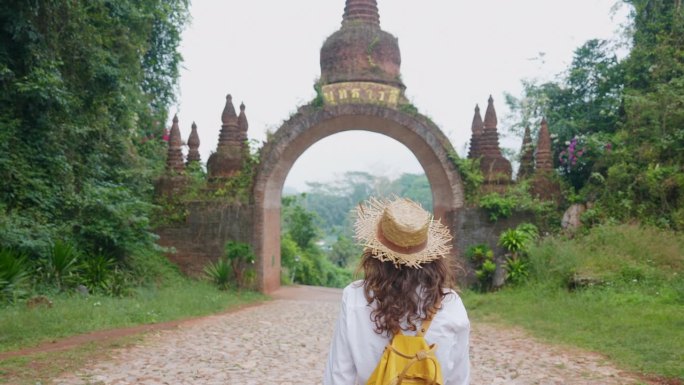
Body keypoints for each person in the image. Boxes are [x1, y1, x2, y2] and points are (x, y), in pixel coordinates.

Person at [323, 197, 470, 385]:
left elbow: (338, 376)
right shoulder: (452, 305)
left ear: (375, 252)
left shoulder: (354, 297)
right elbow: (460, 379)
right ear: (431, 256)